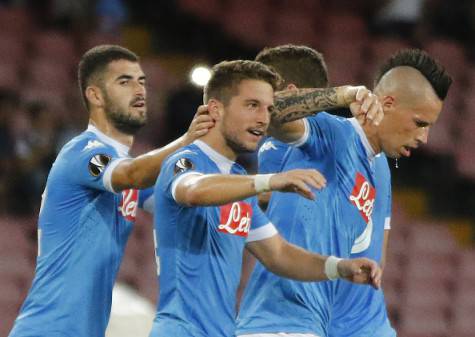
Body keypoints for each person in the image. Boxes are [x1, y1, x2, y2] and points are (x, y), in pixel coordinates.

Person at [149, 59, 383, 337]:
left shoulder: (236, 182)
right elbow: (193, 190)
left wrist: (339, 267)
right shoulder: (186, 161)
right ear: (215, 109)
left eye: (269, 109)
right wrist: (269, 181)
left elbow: (278, 254)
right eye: (252, 106)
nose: (264, 118)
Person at [236, 48, 452, 337]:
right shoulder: (333, 134)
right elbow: (267, 111)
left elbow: (375, 261)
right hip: (283, 322)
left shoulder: (381, 169)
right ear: (387, 103)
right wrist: (345, 95)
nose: (424, 138)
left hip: (345, 326)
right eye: (419, 123)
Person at [8, 44, 214, 337]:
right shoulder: (83, 151)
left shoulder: (126, 172)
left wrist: (256, 188)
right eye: (124, 81)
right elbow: (132, 174)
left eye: (142, 81)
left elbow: (182, 196)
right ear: (95, 95)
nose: (139, 90)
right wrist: (187, 140)